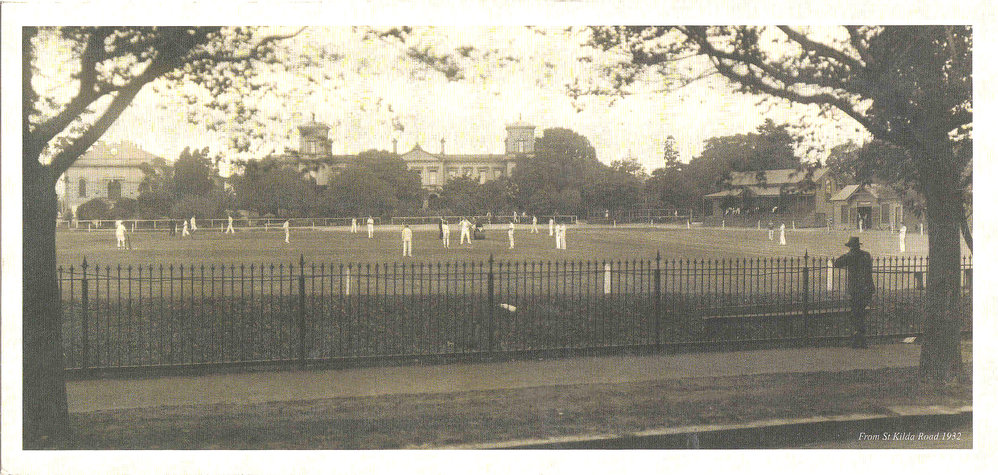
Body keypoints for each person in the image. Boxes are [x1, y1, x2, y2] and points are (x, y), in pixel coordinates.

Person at [834, 237, 875, 349]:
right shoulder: (866, 255)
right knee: (860, 313)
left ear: (851, 247)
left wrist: (846, 254)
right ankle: (860, 339)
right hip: (867, 288)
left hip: (857, 289)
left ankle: (859, 339)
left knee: (856, 314)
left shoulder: (850, 256)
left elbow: (836, 263)